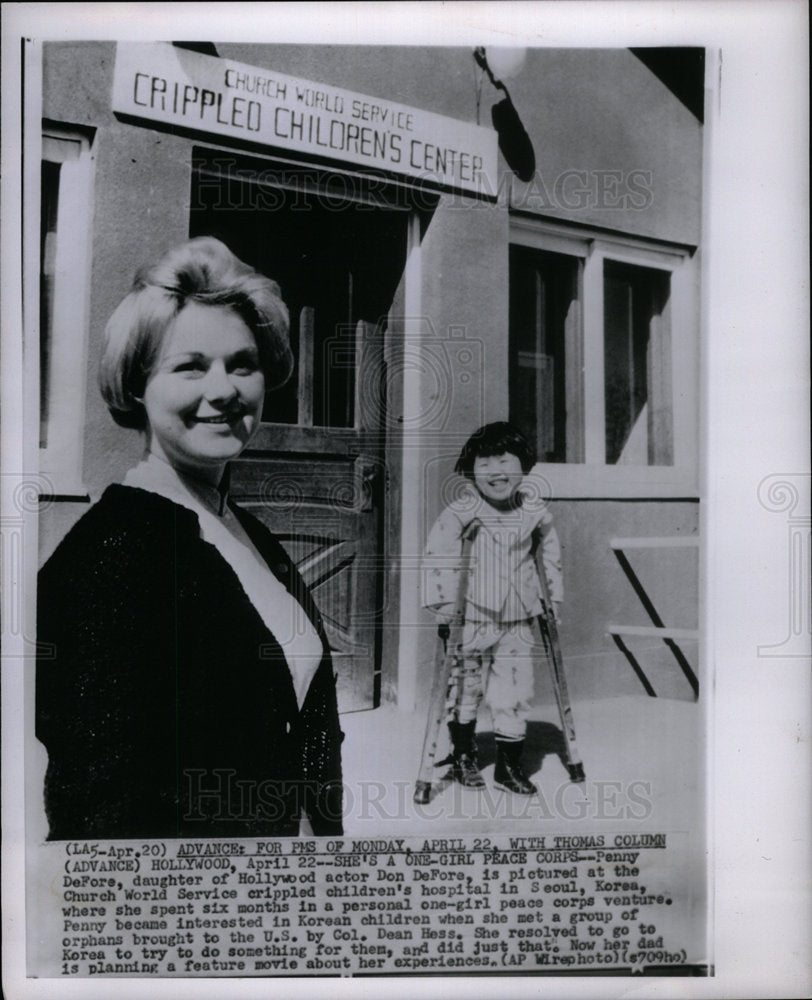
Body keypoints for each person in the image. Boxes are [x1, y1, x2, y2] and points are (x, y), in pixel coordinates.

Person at [36, 237, 343, 839]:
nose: (225, 389)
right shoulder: (108, 562)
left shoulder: (239, 527)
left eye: (242, 363)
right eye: (190, 366)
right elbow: (98, 819)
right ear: (136, 387)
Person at [423, 422, 563, 795]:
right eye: (484, 464)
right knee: (464, 686)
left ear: (524, 466)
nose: (496, 472)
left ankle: (508, 767)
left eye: (505, 461)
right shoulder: (462, 511)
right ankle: (464, 754)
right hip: (471, 613)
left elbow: (549, 556)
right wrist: (443, 604)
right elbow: (438, 557)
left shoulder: (534, 511)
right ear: (471, 471)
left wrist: (553, 600)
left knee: (515, 688)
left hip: (518, 613)